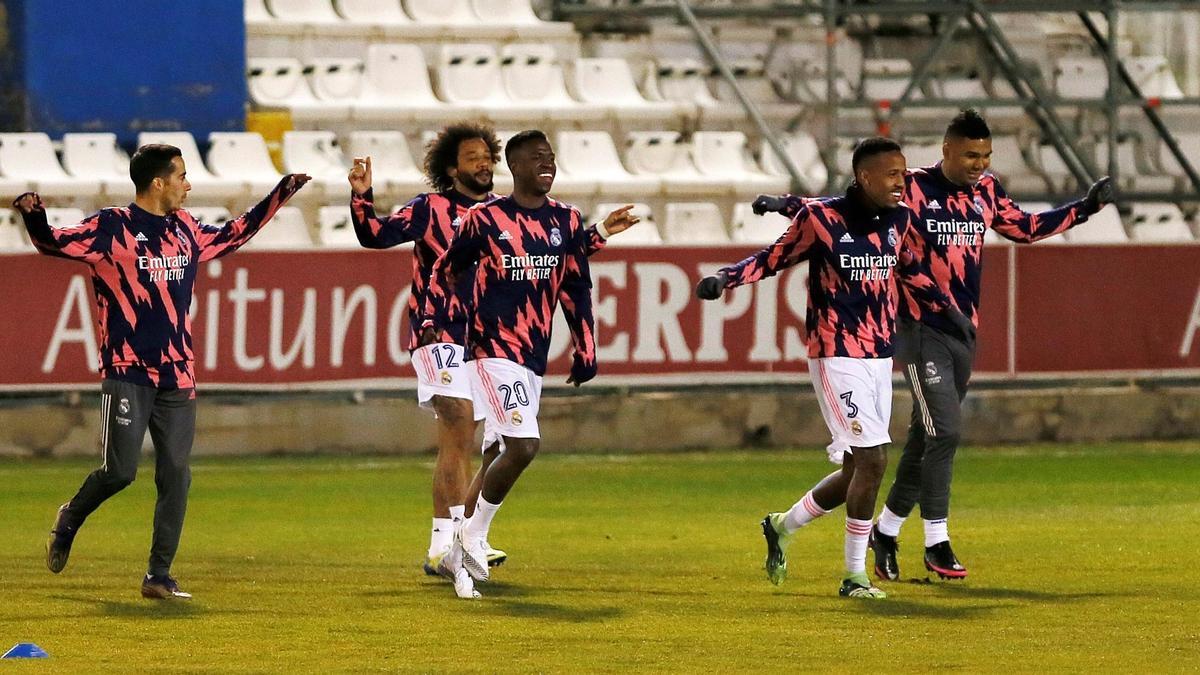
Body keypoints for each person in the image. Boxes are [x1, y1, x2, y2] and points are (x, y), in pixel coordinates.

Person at [753, 110, 1113, 581]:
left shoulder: (987, 191)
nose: (978, 164)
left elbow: (1024, 228)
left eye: (985, 155)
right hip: (918, 326)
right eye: (969, 154)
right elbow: (848, 202)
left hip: (961, 327)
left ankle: (886, 528)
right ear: (946, 150)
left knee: (926, 438)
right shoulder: (914, 188)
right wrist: (786, 203)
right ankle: (936, 540)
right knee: (944, 430)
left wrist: (1084, 208)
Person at [12, 144, 311, 600]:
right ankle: (70, 515)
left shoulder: (186, 228)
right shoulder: (112, 227)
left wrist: (280, 194)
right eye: (182, 176)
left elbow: (234, 234)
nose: (187, 185)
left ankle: (158, 575)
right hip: (127, 369)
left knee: (177, 472)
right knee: (119, 471)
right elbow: (52, 242)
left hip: (178, 372)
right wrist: (34, 218)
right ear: (158, 182)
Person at [348, 123, 637, 588]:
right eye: (472, 157)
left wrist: (599, 231)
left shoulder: (499, 214)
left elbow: (557, 253)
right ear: (451, 167)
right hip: (439, 329)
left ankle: (469, 537)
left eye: (488, 156)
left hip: (485, 336)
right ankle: (444, 542)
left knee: (500, 441)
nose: (484, 163)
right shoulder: (431, 209)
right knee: (459, 421)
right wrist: (363, 196)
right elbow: (374, 235)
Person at [696, 138, 957, 599]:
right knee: (874, 459)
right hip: (835, 353)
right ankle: (854, 576)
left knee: (857, 467)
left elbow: (909, 271)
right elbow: (771, 258)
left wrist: (945, 308)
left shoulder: (900, 219)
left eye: (904, 173)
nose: (903, 181)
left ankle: (782, 524)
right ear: (864, 177)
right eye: (893, 174)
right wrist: (725, 278)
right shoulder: (821, 220)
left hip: (879, 357)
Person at [422, 130, 602, 599]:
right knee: (524, 445)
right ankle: (468, 537)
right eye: (537, 158)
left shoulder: (567, 219)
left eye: (551, 158)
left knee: (497, 453)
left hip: (533, 355)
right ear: (516, 167)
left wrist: (586, 344)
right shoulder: (486, 218)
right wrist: (431, 317)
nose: (547, 164)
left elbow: (576, 287)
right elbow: (446, 269)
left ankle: (463, 547)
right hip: (490, 349)